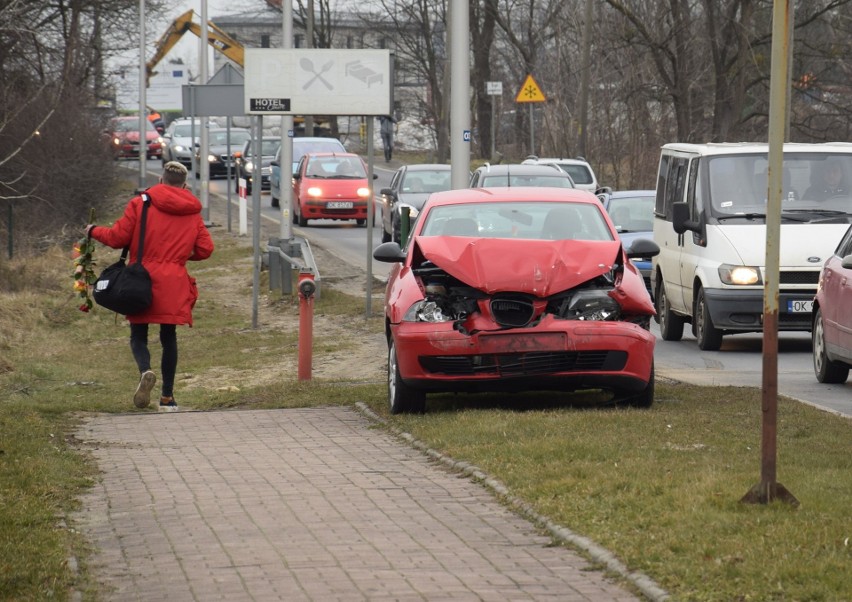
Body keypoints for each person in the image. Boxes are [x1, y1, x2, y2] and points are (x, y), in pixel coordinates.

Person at [86, 161, 214, 412]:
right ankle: (168, 398)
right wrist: (178, 259)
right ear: (184, 185)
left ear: (161, 181)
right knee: (169, 337)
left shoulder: (141, 204)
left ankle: (146, 370)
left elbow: (117, 238)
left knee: (138, 334)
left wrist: (93, 231)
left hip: (140, 279)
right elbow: (205, 249)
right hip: (174, 282)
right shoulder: (192, 212)